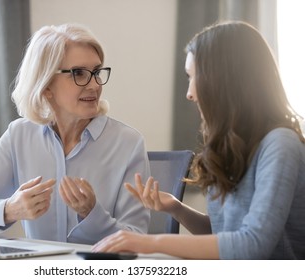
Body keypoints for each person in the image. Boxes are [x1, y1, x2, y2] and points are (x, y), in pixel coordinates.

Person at [93, 21, 305, 259]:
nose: (189, 93)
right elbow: (223, 234)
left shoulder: (280, 144)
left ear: (225, 80)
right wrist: (177, 208)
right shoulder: (231, 146)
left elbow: (251, 246)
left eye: (194, 77)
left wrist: (149, 242)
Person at [0, 23, 150, 245]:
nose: (94, 85)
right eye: (79, 73)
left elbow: (137, 239)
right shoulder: (18, 135)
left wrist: (92, 215)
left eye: (96, 72)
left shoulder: (129, 143)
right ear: (46, 84)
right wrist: (10, 210)